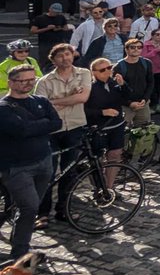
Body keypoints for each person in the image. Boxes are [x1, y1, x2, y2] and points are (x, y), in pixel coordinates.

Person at [0, 62, 62, 262]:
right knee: (30, 207)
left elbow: (57, 123)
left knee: (26, 208)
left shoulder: (41, 101)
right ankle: (20, 253)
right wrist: (43, 124)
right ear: (11, 82)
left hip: (44, 161)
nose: (28, 84)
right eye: (22, 80)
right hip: (17, 167)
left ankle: (18, 240)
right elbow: (21, 130)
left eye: (31, 79)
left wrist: (37, 125)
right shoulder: (4, 108)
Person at [34, 43, 91, 223]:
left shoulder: (84, 73)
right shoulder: (44, 81)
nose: (65, 58)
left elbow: (83, 98)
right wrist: (70, 99)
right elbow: (42, 108)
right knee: (47, 173)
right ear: (53, 60)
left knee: (70, 171)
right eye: (60, 56)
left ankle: (63, 210)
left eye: (68, 54)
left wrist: (56, 101)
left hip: (75, 126)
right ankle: (42, 213)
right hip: (51, 131)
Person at [83, 58, 127, 191]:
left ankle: (109, 187)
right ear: (93, 72)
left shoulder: (114, 82)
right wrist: (102, 112)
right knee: (97, 159)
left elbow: (128, 98)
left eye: (109, 67)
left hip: (116, 125)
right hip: (98, 127)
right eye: (103, 70)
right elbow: (83, 110)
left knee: (115, 154)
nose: (108, 71)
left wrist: (123, 85)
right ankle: (98, 187)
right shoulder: (89, 87)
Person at [115, 37, 153, 128]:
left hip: (143, 104)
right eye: (132, 47)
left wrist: (145, 99)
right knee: (123, 134)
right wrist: (129, 103)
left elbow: (150, 82)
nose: (136, 49)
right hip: (125, 106)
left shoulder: (147, 63)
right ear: (126, 49)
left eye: (139, 47)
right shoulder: (118, 67)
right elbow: (115, 91)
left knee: (144, 133)